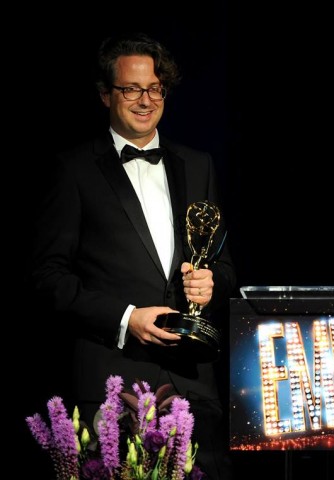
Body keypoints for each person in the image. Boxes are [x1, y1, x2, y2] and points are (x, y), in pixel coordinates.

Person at [30, 32, 236, 480]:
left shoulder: (198, 164)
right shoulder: (73, 169)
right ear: (106, 94)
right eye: (131, 89)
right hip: (112, 386)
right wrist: (127, 319)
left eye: (155, 88)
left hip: (193, 387)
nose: (145, 100)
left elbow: (221, 262)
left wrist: (212, 282)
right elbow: (47, 277)